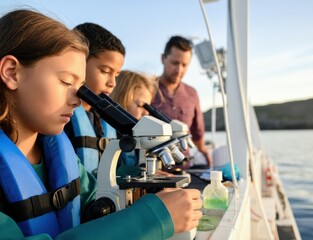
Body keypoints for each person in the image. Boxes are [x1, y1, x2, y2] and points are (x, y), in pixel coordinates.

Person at [0, 9, 202, 239]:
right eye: (66, 81)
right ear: (12, 73)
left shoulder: (60, 154)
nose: (77, 99)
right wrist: (153, 218)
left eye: (80, 88)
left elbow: (95, 207)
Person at [64, 22, 125, 176]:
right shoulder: (62, 119)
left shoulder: (104, 121)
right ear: (79, 62)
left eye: (116, 75)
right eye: (105, 71)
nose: (113, 83)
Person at [152, 35, 213, 167]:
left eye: (184, 65)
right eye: (175, 63)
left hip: (184, 168)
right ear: (163, 58)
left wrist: (203, 150)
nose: (179, 70)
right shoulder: (146, 89)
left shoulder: (192, 93)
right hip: (152, 169)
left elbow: (198, 131)